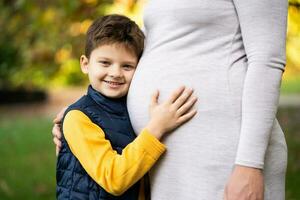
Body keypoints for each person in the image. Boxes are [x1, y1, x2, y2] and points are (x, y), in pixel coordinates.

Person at [54, 0, 288, 199]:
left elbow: (267, 60)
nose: (115, 71)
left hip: (223, 152)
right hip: (163, 163)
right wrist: (84, 112)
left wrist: (250, 163)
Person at [56, 14, 197, 200]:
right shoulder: (78, 118)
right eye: (105, 63)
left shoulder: (127, 110)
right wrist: (157, 127)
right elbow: (114, 179)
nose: (115, 73)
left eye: (127, 66)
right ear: (85, 64)